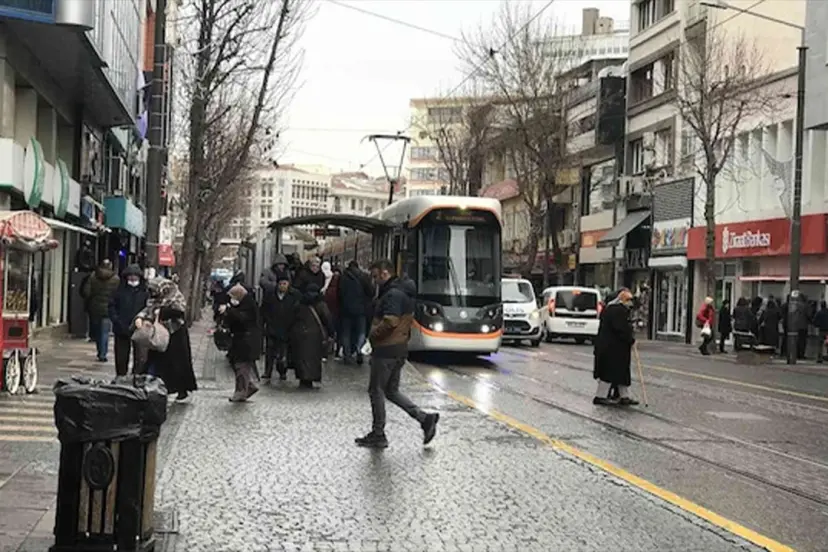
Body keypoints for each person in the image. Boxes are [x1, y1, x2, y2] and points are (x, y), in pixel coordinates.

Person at [355, 259, 439, 449]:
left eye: (376, 276)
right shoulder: (402, 292)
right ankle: (424, 419)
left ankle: (378, 434)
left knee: (376, 390)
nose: (374, 281)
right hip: (399, 349)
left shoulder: (392, 294)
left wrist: (372, 337)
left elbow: (390, 322)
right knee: (391, 391)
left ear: (385, 273)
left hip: (386, 350)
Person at [136, 277, 198, 401]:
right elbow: (148, 309)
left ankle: (181, 389)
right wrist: (141, 317)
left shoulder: (175, 296)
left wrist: (161, 311)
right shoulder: (154, 298)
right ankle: (153, 386)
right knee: (155, 362)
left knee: (177, 364)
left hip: (175, 334)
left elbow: (179, 312)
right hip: (159, 335)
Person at [592, 288, 639, 406]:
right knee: (609, 372)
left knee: (620, 372)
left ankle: (624, 396)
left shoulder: (610, 309)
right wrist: (631, 339)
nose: (630, 303)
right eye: (629, 300)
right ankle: (600, 396)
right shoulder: (618, 311)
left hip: (612, 347)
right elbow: (621, 328)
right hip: (613, 348)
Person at [220, 283, 261, 402]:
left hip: (247, 341)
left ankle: (241, 391)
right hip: (239, 340)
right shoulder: (242, 305)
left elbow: (242, 319)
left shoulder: (249, 306)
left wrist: (229, 310)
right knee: (236, 364)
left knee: (242, 367)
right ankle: (248, 386)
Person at [290, 283, 334, 389]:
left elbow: (292, 318)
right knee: (314, 358)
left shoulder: (299, 303)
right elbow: (327, 319)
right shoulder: (320, 304)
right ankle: (311, 378)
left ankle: (303, 378)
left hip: (300, 334)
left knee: (302, 357)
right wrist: (331, 333)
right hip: (315, 335)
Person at [108, 264, 149, 375]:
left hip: (139, 328)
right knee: (121, 356)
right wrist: (116, 320)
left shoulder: (145, 292)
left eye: (135, 277)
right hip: (121, 327)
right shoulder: (119, 290)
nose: (132, 279)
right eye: (130, 277)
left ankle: (137, 377)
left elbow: (149, 308)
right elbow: (111, 306)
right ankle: (121, 377)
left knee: (140, 357)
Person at [260, 274, 300, 381]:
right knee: (270, 351)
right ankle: (267, 371)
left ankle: (282, 371)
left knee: (283, 352)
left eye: (285, 284)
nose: (282, 286)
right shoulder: (270, 295)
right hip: (272, 327)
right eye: (281, 284)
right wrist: (265, 323)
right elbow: (264, 310)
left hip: (287, 328)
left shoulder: (294, 295)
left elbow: (297, 311)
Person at [82, 259, 120, 362]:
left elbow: (86, 291)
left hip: (94, 308)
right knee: (105, 332)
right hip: (108, 308)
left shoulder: (93, 276)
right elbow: (118, 295)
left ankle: (100, 350)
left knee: (98, 331)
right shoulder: (116, 279)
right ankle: (102, 354)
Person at [339, 260, 374, 365]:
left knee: (345, 333)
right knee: (361, 332)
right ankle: (359, 350)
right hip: (361, 310)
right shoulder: (364, 276)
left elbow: (339, 294)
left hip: (346, 310)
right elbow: (371, 292)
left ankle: (347, 355)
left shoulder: (343, 277)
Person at [324, 266, 342, 357]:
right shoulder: (341, 290)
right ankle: (337, 351)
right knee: (339, 333)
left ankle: (328, 350)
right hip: (338, 314)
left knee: (329, 332)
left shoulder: (328, 290)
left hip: (329, 313)